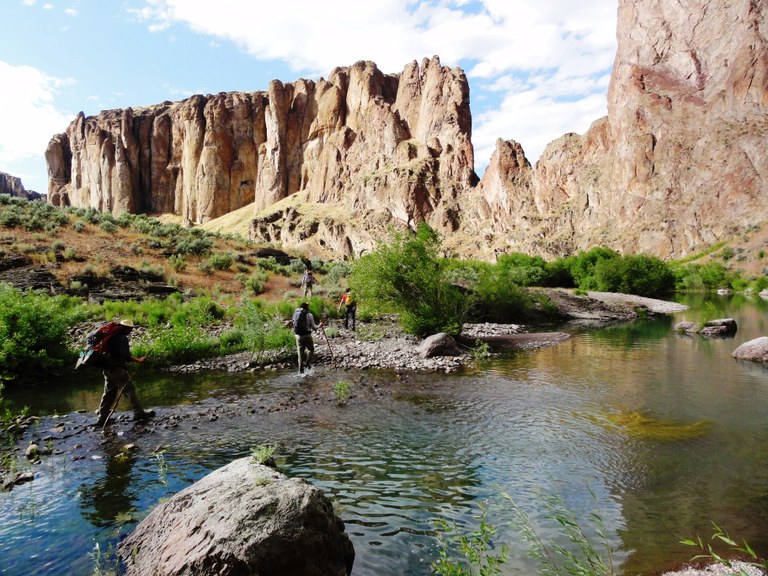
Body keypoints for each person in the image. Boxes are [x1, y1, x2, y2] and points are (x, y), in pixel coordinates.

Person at [95, 319, 154, 427]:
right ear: (125, 328)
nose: (131, 331)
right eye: (130, 329)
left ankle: (102, 418)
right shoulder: (122, 338)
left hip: (107, 369)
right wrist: (139, 360)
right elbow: (125, 355)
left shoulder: (110, 336)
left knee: (108, 394)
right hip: (117, 369)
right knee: (130, 390)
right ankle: (139, 413)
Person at [292, 302, 322, 373]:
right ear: (306, 308)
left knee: (300, 354)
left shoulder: (295, 314)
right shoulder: (309, 315)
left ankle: (300, 372)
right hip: (307, 335)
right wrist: (320, 325)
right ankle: (307, 362)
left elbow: (294, 325)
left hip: (298, 336)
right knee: (311, 349)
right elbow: (314, 327)